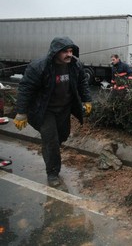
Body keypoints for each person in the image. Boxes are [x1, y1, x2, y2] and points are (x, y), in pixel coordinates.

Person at [13, 37, 92, 187]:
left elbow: (82, 82)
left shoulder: (75, 65)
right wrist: (21, 112)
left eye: (71, 51)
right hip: (45, 111)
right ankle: (53, 173)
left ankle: (50, 150)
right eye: (65, 51)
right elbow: (25, 89)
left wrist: (87, 99)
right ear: (55, 52)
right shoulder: (39, 67)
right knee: (51, 142)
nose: (69, 54)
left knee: (62, 136)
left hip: (64, 109)